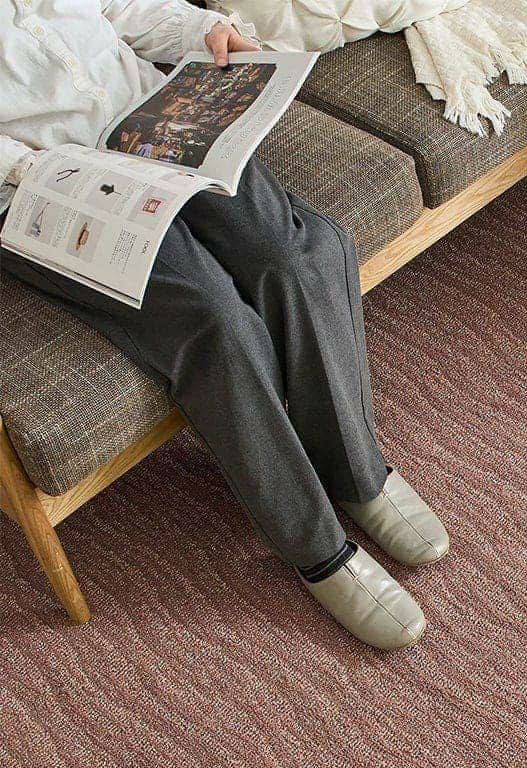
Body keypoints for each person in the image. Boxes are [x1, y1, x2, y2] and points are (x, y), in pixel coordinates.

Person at [0, 0, 450, 651]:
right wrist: (32, 166)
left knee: (298, 257)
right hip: (43, 184)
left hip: (152, 123)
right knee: (215, 320)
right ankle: (315, 548)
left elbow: (123, 7)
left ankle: (358, 475)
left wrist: (204, 30)